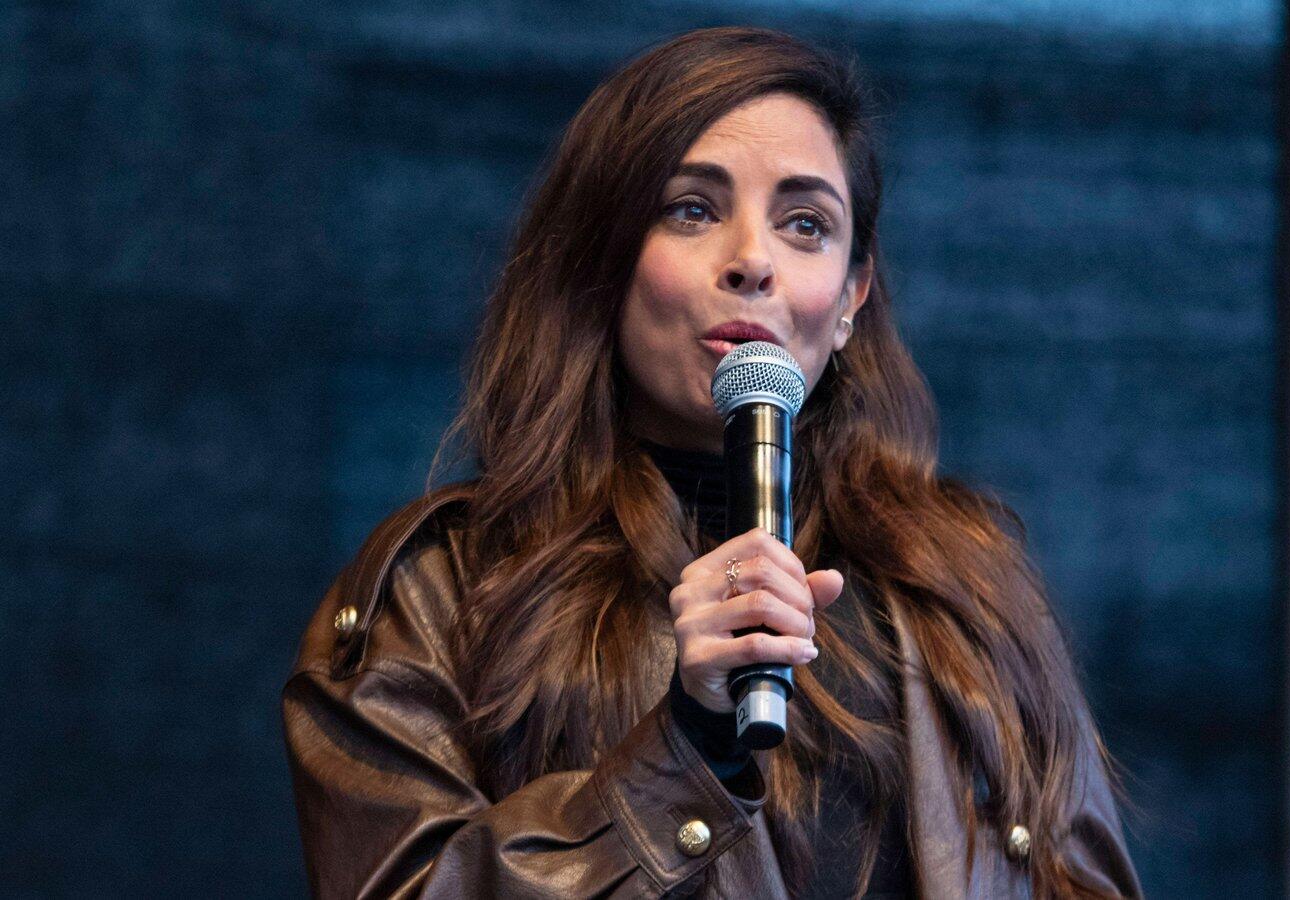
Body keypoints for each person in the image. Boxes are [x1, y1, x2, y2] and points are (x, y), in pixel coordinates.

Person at [281, 25, 1142, 900]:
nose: (753, 262)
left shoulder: (965, 590)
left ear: (851, 296)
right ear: (603, 255)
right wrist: (683, 749)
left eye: (805, 225)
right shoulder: (441, 592)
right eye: (692, 210)